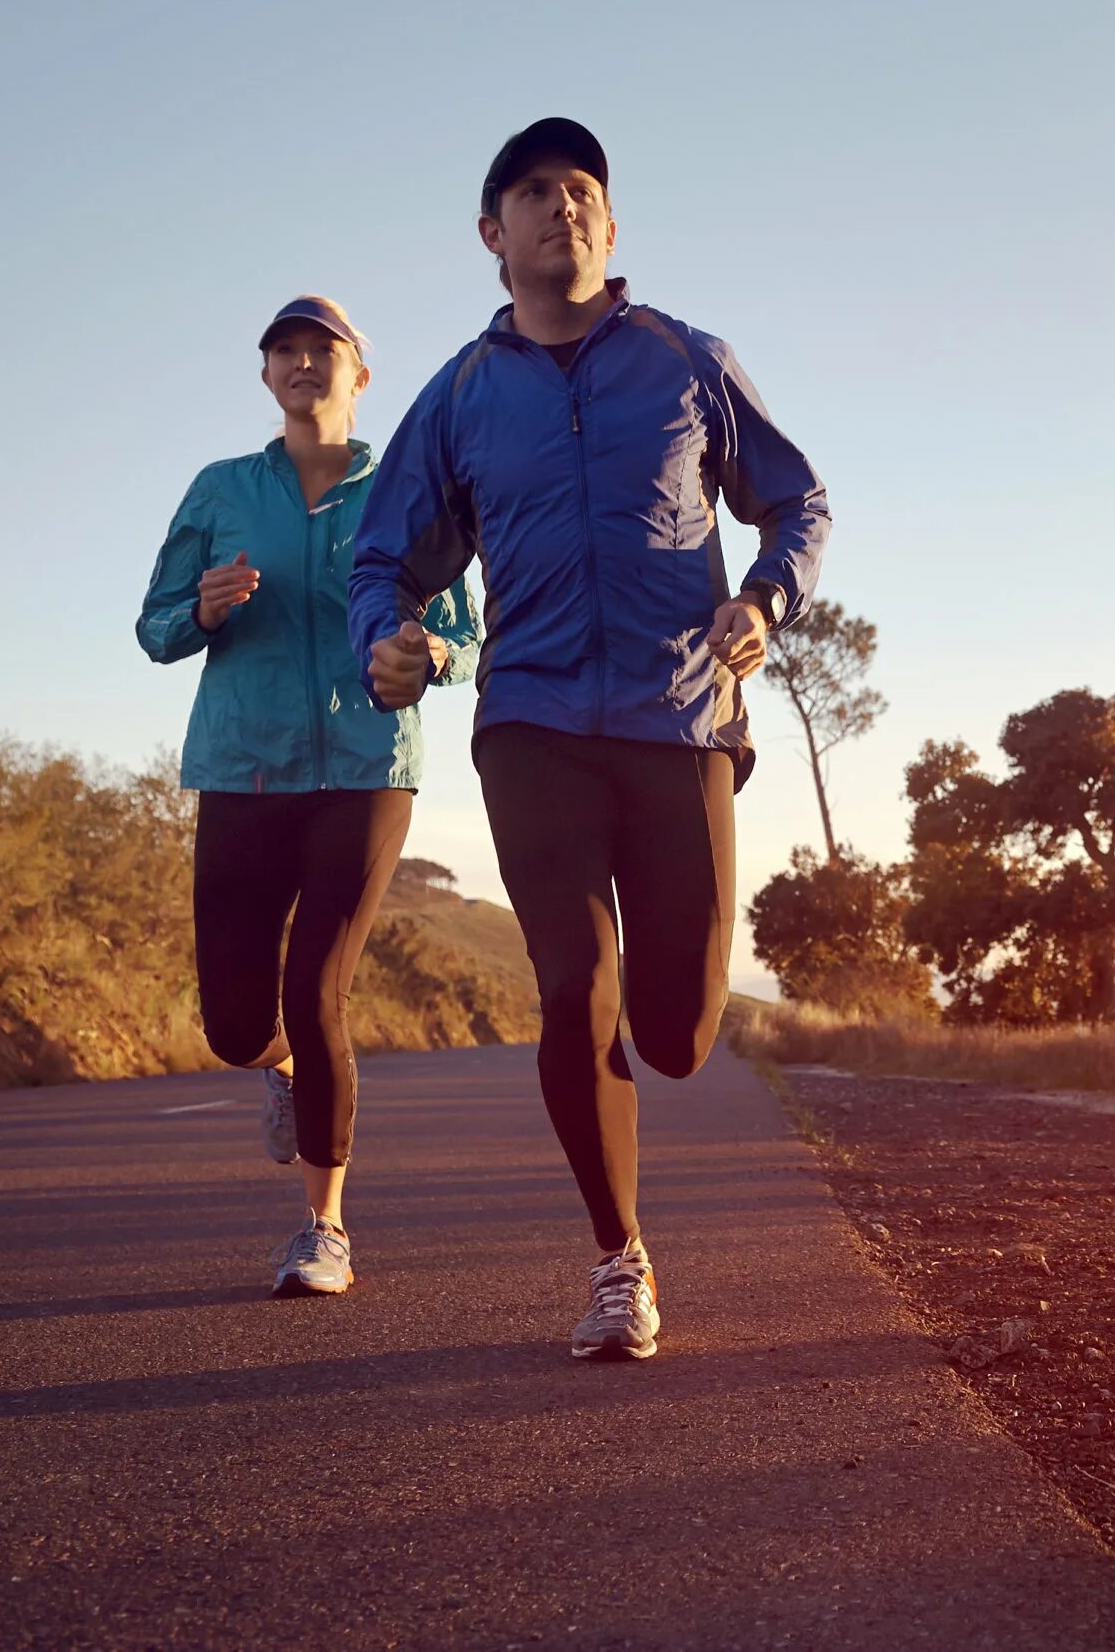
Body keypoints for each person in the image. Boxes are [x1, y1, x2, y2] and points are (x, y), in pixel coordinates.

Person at [348, 118, 830, 1361]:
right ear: (489, 234)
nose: (558, 206)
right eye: (530, 192)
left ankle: (645, 1054)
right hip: (534, 723)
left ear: (609, 227)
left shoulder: (686, 359)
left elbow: (797, 498)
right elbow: (386, 555)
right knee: (574, 983)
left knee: (673, 1034)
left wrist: (764, 597)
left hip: (680, 722)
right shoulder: (459, 394)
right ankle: (620, 1258)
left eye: (580, 191)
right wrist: (383, 638)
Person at [137, 296, 482, 1298]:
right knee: (235, 1023)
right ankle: (277, 1068)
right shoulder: (220, 490)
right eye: (284, 349)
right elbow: (155, 626)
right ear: (266, 375)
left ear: (357, 375)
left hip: (367, 769)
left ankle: (323, 1227)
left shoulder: (407, 490)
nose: (302, 362)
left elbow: (463, 628)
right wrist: (197, 610)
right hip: (241, 763)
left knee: (317, 984)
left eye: (321, 349)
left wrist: (429, 654)